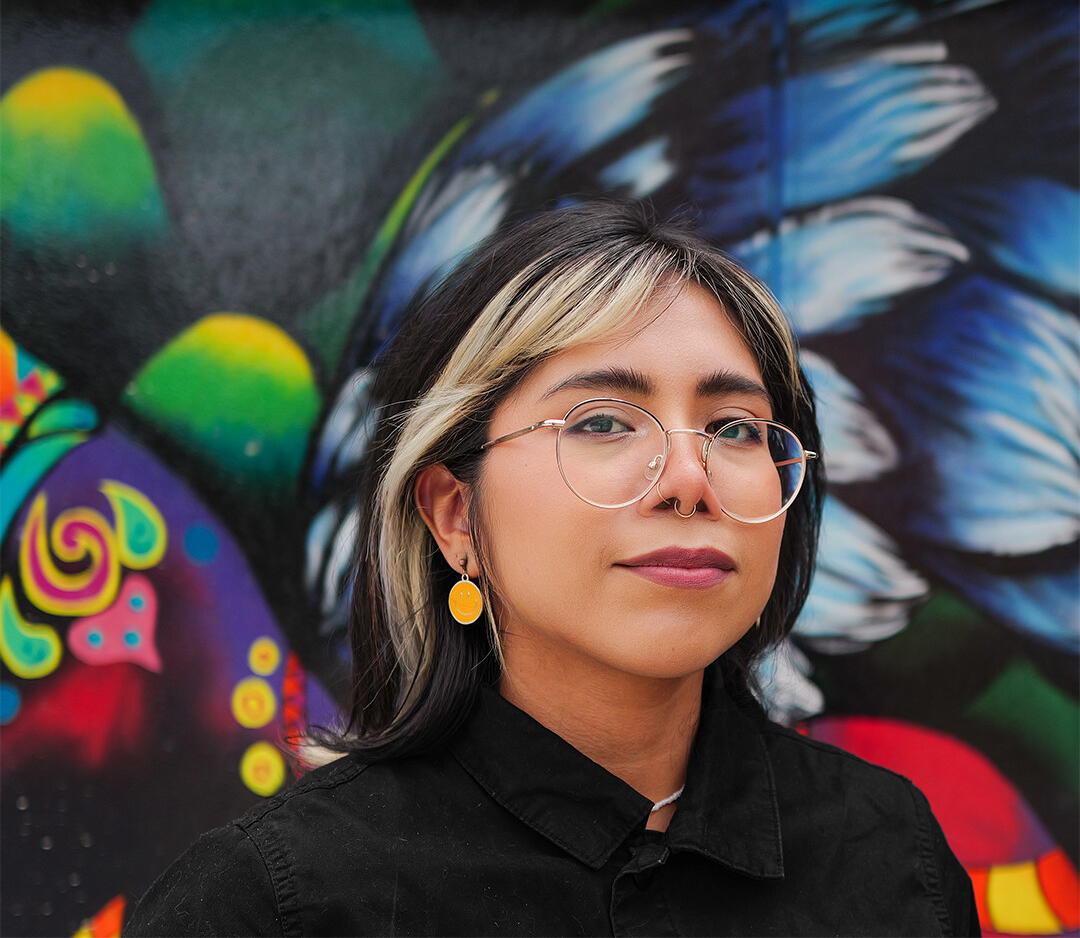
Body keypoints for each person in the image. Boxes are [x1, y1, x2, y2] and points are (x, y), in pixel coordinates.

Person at [124, 203, 979, 936]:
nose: (690, 479)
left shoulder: (890, 857)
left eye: (735, 428)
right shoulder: (281, 901)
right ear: (455, 516)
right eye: (603, 421)